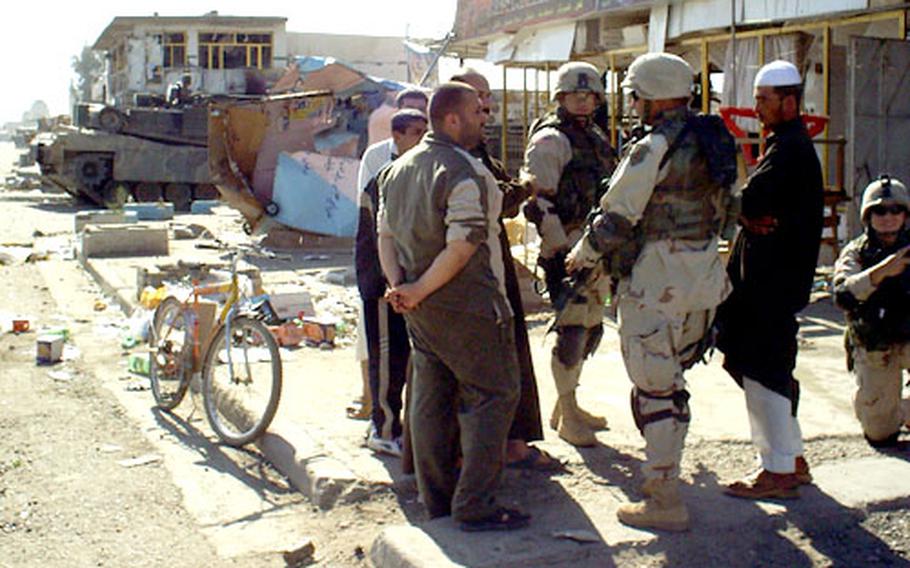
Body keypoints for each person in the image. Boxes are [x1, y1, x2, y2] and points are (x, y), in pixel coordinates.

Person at [566, 52, 737, 531]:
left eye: (637, 96)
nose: (634, 104)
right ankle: (668, 477)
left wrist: (583, 256)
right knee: (672, 384)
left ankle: (663, 499)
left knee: (657, 391)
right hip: (702, 278)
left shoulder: (655, 145)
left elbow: (617, 214)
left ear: (653, 95)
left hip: (655, 281)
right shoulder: (716, 139)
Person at [377, 82, 529, 531]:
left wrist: (401, 287)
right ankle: (475, 505)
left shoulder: (397, 169)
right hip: (469, 305)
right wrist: (418, 288)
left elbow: (386, 237)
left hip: (420, 308)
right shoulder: (466, 171)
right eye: (479, 112)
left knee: (429, 400)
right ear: (453, 119)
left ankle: (437, 501)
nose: (486, 119)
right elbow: (462, 246)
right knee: (495, 394)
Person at [715, 60, 824, 500]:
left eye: (764, 100)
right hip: (769, 284)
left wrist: (741, 208)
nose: (757, 108)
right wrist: (745, 214)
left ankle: (777, 471)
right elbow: (750, 204)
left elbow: (753, 197)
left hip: (770, 286)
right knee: (764, 367)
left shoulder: (791, 150)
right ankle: (790, 457)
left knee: (764, 371)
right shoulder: (785, 145)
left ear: (789, 101)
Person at [448, 68, 555, 470]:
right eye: (478, 97)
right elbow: (496, 201)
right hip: (466, 267)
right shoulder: (454, 153)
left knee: (510, 354)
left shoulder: (476, 148)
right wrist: (526, 187)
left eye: (487, 96)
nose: (487, 106)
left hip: (492, 263)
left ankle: (512, 443)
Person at [519, 61, 617, 447]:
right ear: (560, 97)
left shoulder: (592, 135)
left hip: (595, 246)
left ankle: (568, 406)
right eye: (575, 94)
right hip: (569, 248)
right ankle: (566, 409)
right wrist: (560, 249)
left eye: (589, 94)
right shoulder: (550, 140)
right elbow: (537, 202)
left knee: (591, 325)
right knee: (572, 330)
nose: (582, 100)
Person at [348, 88, 429, 421]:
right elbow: (376, 217)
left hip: (413, 270)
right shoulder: (378, 158)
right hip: (382, 266)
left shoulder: (428, 159)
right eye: (412, 120)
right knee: (380, 345)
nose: (421, 130)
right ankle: (379, 415)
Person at [833, 175, 910, 448]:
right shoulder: (856, 252)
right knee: (880, 433)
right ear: (868, 216)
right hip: (877, 345)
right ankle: (890, 407)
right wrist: (880, 273)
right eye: (879, 210)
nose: (888, 217)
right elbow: (842, 294)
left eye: (895, 210)